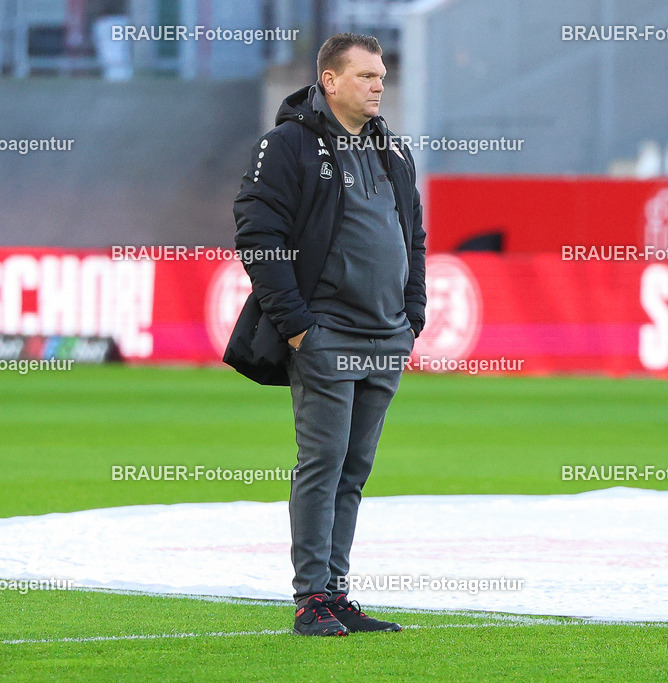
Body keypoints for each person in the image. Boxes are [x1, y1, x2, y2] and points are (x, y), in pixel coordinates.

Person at [225, 33, 426, 636]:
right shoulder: (287, 145)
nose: (379, 86)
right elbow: (258, 234)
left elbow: (413, 235)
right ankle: (311, 597)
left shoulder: (393, 149)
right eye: (366, 76)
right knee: (322, 464)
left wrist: (412, 315)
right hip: (326, 334)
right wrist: (297, 328)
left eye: (381, 76)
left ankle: (336, 593)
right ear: (330, 81)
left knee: (353, 471)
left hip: (386, 334)